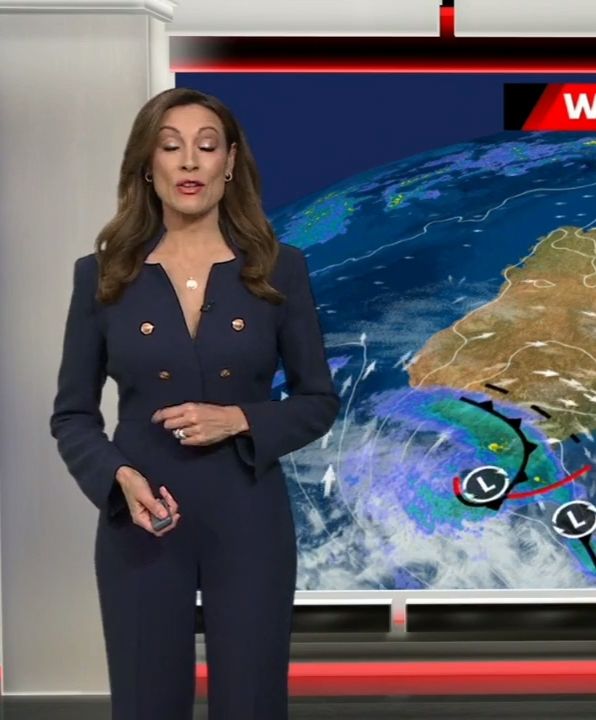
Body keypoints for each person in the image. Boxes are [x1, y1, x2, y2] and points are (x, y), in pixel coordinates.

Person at [49, 87, 340, 720]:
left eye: (206, 146)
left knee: (252, 702)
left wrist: (240, 419)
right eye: (170, 146)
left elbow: (318, 400)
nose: (189, 161)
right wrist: (118, 479)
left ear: (229, 162)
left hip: (249, 517)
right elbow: (72, 414)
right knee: (146, 703)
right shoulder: (101, 276)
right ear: (146, 165)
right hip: (142, 518)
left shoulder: (279, 269)